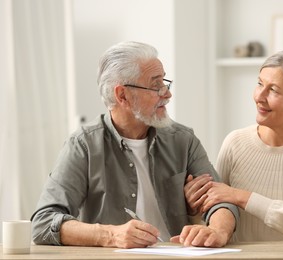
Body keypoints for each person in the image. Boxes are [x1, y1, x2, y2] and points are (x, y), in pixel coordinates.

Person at [30, 41, 238, 248]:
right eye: (156, 85)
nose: (167, 93)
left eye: (165, 82)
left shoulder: (183, 139)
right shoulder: (83, 145)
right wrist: (110, 235)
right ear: (122, 95)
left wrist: (217, 231)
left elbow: (222, 201)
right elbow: (44, 222)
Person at [185, 50, 283, 242]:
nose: (259, 97)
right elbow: (218, 216)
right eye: (260, 83)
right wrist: (194, 209)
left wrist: (243, 197)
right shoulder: (235, 142)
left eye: (274, 90)